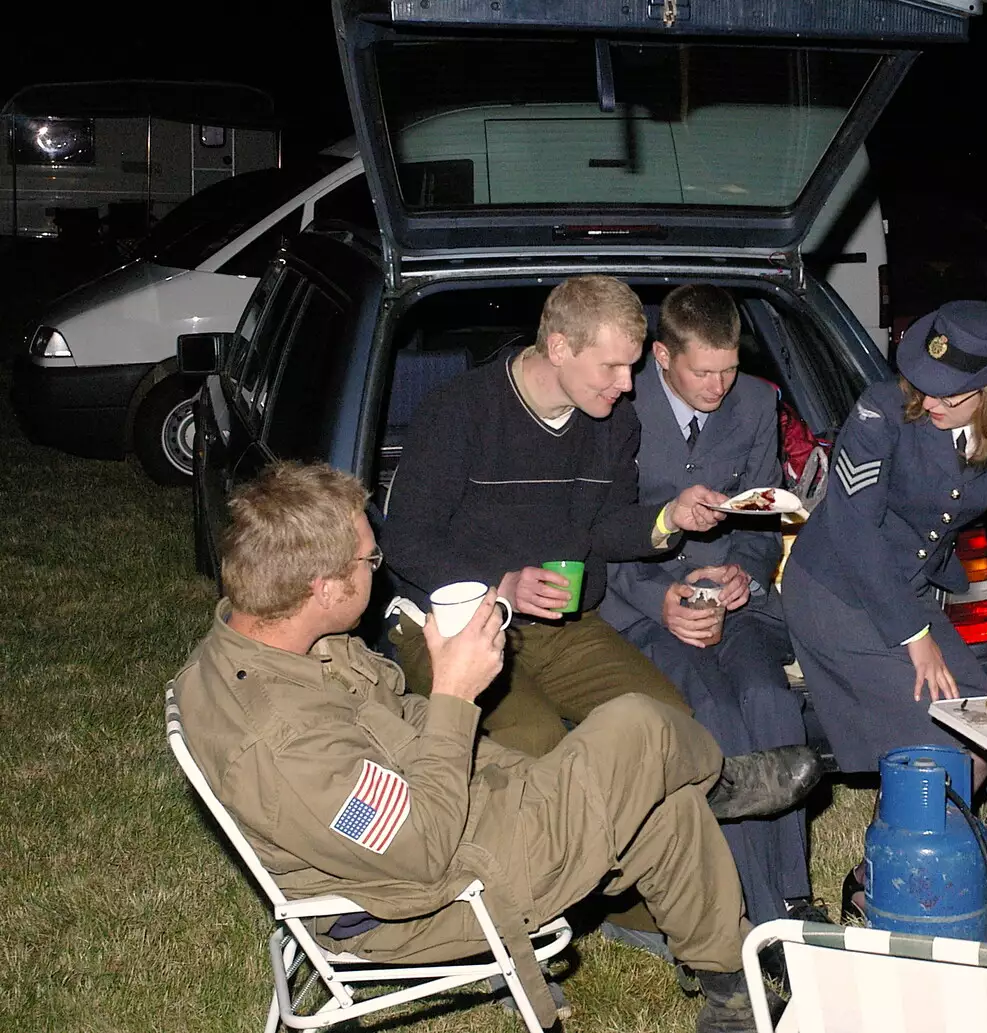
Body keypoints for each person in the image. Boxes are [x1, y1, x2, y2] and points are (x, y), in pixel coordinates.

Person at [172, 461, 821, 1033]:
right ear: (321, 586)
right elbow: (421, 852)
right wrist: (455, 690)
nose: (379, 568)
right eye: (370, 561)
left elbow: (393, 729)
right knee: (636, 726)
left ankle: (729, 992)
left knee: (659, 801)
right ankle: (718, 780)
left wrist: (447, 700)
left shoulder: (262, 639)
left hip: (450, 809)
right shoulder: (281, 741)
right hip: (428, 896)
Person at [782, 299, 987, 911]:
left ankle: (918, 851)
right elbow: (856, 533)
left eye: (951, 394)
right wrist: (914, 636)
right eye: (924, 382)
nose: (930, 399)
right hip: (835, 588)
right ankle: (882, 883)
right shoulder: (880, 410)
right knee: (932, 730)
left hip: (905, 588)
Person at [383, 274, 731, 759]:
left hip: (564, 629)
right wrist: (500, 585)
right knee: (533, 740)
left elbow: (606, 529)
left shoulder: (613, 425)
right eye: (611, 367)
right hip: (453, 626)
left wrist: (670, 518)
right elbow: (405, 540)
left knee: (666, 725)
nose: (627, 385)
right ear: (560, 347)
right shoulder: (459, 411)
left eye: (631, 367)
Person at [598, 284, 818, 928]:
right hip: (640, 599)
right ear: (661, 355)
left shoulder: (754, 403)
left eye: (729, 368)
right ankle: (750, 904)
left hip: (729, 600)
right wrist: (655, 597)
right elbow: (594, 528)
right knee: (716, 713)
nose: (720, 386)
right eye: (703, 372)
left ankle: (794, 892)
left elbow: (757, 509)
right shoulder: (616, 401)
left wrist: (742, 577)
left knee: (769, 699)